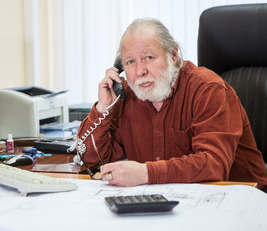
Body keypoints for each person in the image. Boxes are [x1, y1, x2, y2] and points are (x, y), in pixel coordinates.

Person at [75, 18, 267, 190]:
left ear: (173, 55)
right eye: (130, 62)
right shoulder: (125, 96)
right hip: (169, 197)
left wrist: (145, 173)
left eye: (148, 58)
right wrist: (103, 108)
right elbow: (92, 161)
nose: (140, 71)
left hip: (239, 196)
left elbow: (213, 164)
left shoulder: (208, 89)